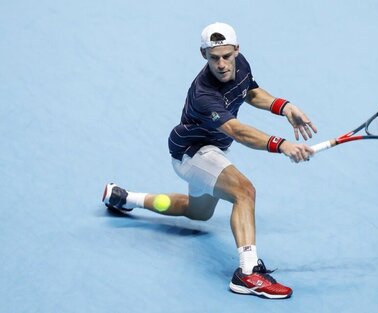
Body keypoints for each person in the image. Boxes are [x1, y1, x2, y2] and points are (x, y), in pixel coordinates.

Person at [102, 22, 316, 299]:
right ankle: (248, 274)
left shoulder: (241, 66)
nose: (222, 64)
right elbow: (236, 131)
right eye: (214, 58)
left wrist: (284, 107)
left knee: (197, 212)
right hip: (193, 152)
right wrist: (281, 144)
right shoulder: (205, 94)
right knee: (244, 191)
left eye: (227, 56)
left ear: (237, 50)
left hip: (210, 152)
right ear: (204, 55)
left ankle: (125, 197)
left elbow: (249, 91)